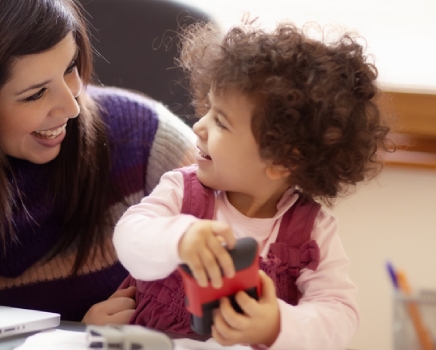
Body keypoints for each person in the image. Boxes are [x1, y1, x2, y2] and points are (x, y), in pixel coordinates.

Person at [0, 0, 196, 324]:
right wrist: (78, 340)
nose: (71, 106)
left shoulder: (148, 142)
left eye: (70, 67)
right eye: (35, 94)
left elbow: (246, 263)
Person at [113, 20, 392, 348]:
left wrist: (275, 323)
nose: (199, 126)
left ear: (281, 161)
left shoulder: (312, 232)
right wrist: (179, 238)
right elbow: (130, 237)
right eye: (207, 110)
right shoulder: (182, 192)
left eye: (220, 121)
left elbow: (339, 315)